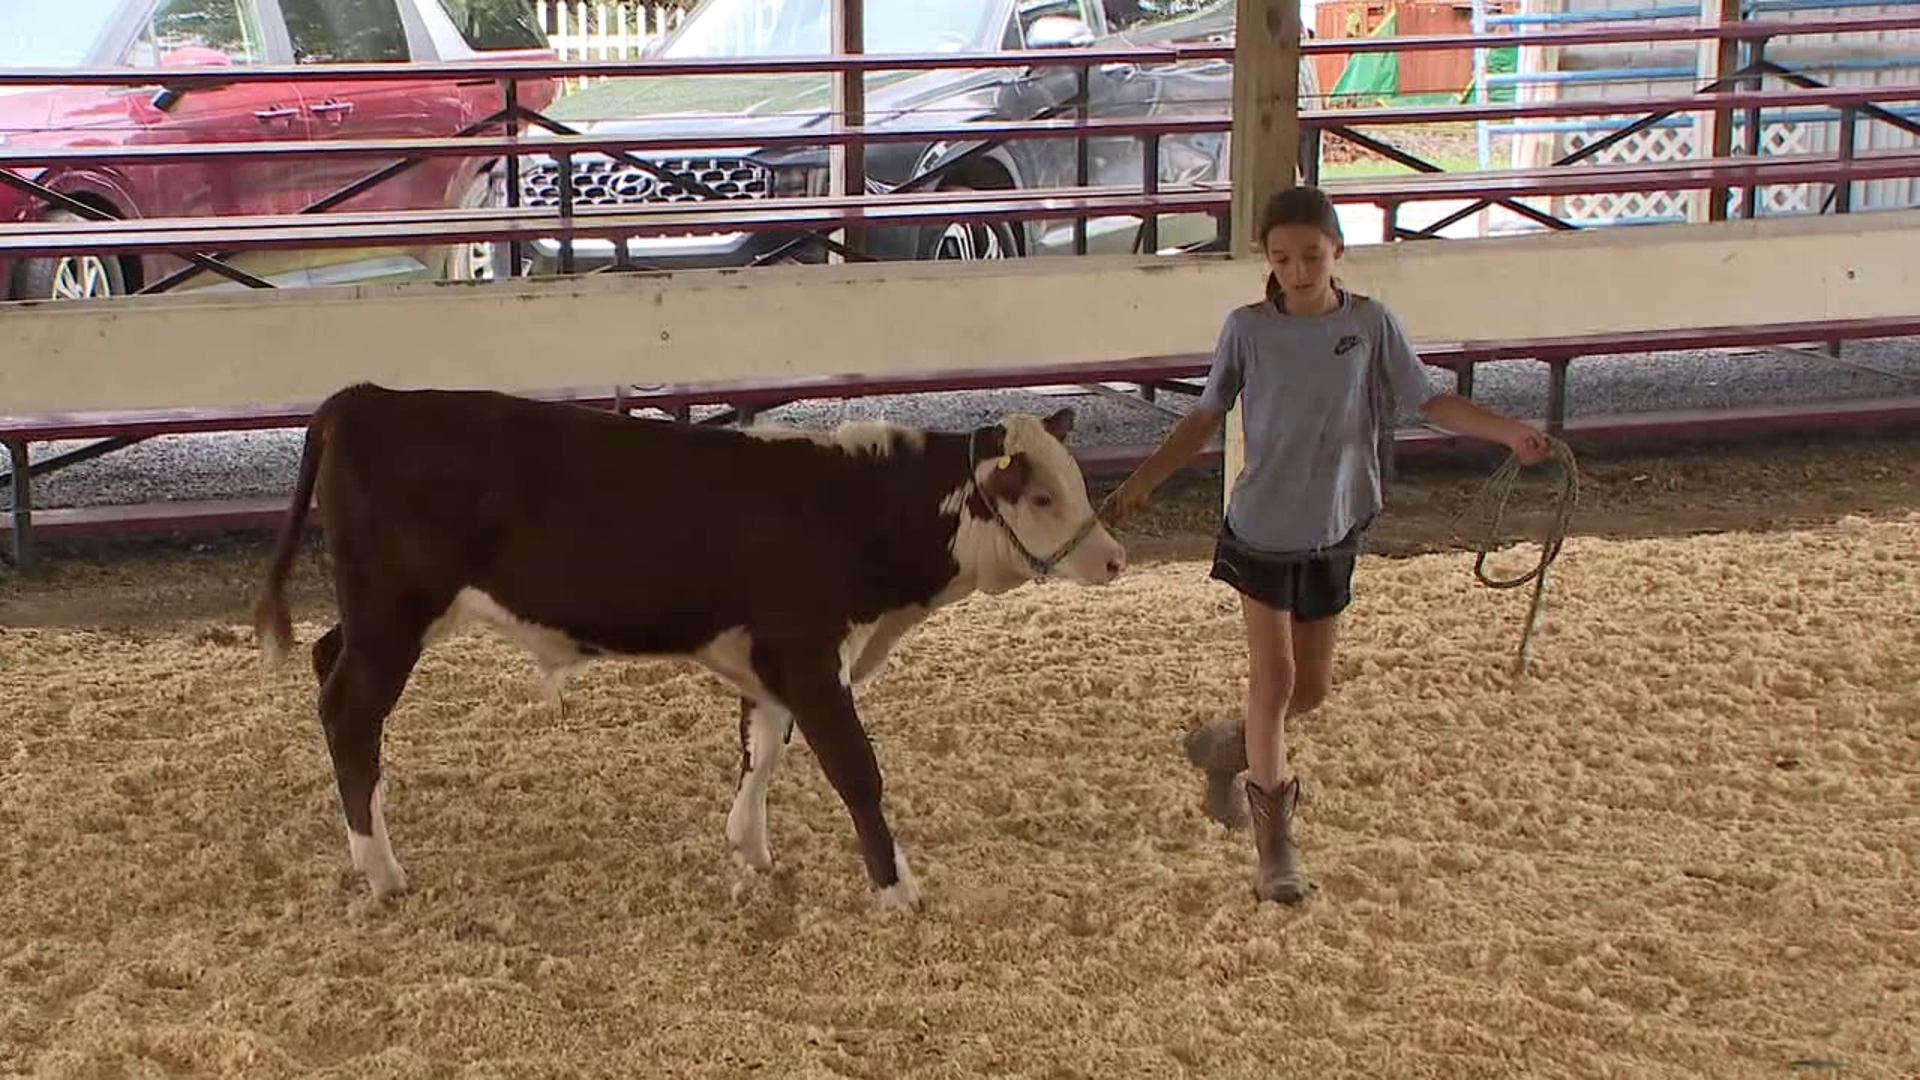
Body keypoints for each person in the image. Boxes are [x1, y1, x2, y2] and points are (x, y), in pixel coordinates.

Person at [1100, 185, 1553, 905]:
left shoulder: (1371, 324)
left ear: (1337, 252)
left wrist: (1509, 431)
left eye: (1311, 255)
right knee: (1274, 680)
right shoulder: (1247, 328)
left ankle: (1227, 748)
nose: (1298, 270)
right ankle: (1274, 846)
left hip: (1335, 525)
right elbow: (1206, 414)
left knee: (1310, 689)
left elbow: (1426, 398)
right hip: (1261, 528)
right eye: (1282, 258)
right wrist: (1145, 480)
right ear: (1268, 261)